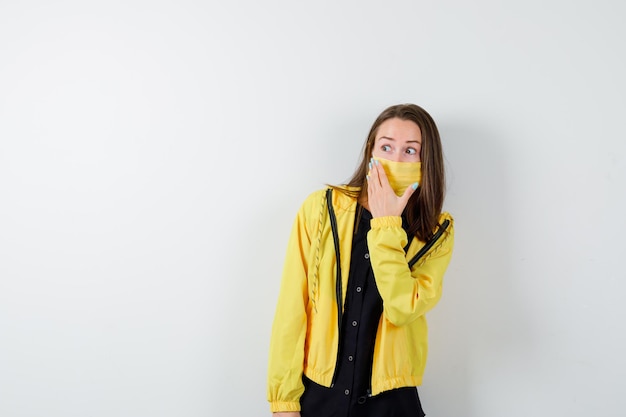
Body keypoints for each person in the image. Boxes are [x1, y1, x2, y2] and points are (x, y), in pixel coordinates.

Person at [267, 103, 454, 417]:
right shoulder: (321, 209)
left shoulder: (436, 231)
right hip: (319, 399)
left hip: (393, 404)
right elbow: (292, 310)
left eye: (410, 150)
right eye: (386, 147)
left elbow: (402, 307)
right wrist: (284, 403)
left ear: (425, 160)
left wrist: (386, 225)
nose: (395, 159)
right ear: (371, 150)